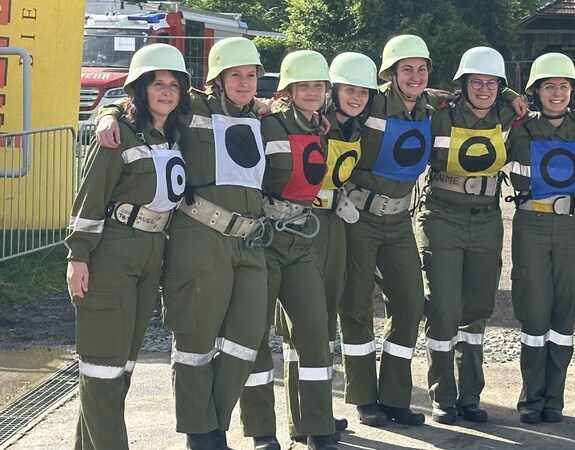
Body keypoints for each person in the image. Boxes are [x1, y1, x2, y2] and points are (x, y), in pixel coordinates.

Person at [338, 34, 528, 427]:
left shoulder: (429, 107)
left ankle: (394, 397)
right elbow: (330, 100)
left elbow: (489, 93)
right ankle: (363, 398)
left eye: (421, 68)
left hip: (401, 219)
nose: (415, 75)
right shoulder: (370, 102)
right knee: (356, 307)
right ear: (390, 72)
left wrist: (510, 95)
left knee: (409, 306)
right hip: (359, 218)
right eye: (406, 68)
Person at [95, 37, 271, 450]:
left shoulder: (264, 116)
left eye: (251, 76)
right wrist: (108, 112)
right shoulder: (191, 107)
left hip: (249, 241)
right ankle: (200, 431)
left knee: (245, 340)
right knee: (195, 340)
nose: (244, 84)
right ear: (216, 78)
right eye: (235, 76)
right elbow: (145, 99)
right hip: (198, 238)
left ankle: (217, 420)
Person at [66, 43, 189, 450]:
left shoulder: (172, 131)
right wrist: (78, 255)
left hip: (153, 251)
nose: (166, 91)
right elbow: (90, 197)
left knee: (121, 369)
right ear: (139, 89)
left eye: (174, 84)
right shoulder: (116, 134)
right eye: (157, 84)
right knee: (102, 366)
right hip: (113, 251)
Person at [271, 51, 377, 444]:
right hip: (298, 226)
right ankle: (305, 423)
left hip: (334, 224)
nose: (356, 97)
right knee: (303, 328)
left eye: (362, 91)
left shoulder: (347, 124)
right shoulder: (289, 120)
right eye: (347, 89)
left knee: (324, 322)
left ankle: (319, 414)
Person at [238, 50, 338, 450]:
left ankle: (318, 425)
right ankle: (262, 431)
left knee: (315, 334)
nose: (312, 92)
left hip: (301, 240)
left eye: (319, 85)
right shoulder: (266, 123)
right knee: (255, 337)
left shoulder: (321, 126)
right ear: (288, 90)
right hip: (264, 241)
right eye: (304, 85)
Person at [418, 46, 519, 425]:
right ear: (462, 84)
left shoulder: (509, 115)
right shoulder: (438, 116)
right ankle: (442, 395)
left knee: (477, 311)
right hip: (441, 217)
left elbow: (546, 111)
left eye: (492, 83)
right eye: (476, 81)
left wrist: (512, 95)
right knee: (444, 308)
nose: (484, 89)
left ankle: (470, 395)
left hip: (488, 219)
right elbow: (412, 96)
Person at [506, 52, 575, 425]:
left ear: (573, 91)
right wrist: (509, 95)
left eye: (563, 86)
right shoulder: (519, 128)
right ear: (535, 92)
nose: (556, 93)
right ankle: (531, 397)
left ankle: (554, 398)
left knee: (564, 315)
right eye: (548, 87)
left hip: (574, 227)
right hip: (532, 226)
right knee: (534, 313)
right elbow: (481, 95)